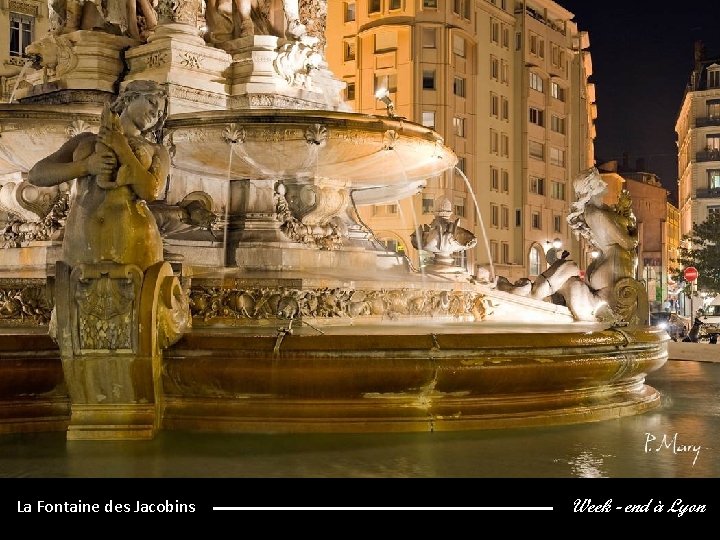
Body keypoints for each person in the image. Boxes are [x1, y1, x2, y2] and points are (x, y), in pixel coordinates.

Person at [27, 80, 169, 271]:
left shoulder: (156, 150)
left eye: (160, 113)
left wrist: (122, 147)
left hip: (134, 243)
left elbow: (151, 191)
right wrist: (85, 166)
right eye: (152, 102)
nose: (155, 114)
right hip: (81, 242)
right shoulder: (84, 141)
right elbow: (36, 175)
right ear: (130, 98)